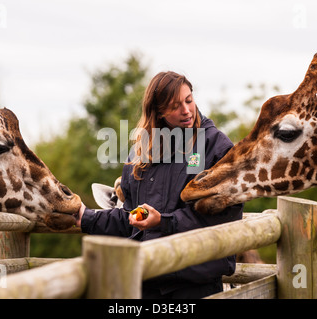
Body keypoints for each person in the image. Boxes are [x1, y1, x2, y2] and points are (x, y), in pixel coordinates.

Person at [74, 71, 243, 299]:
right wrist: (86, 217)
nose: (186, 110)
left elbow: (221, 218)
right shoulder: (140, 153)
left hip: (194, 285)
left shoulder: (217, 147)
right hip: (146, 282)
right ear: (159, 112)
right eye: (175, 106)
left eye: (189, 100)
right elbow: (130, 218)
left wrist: (163, 222)